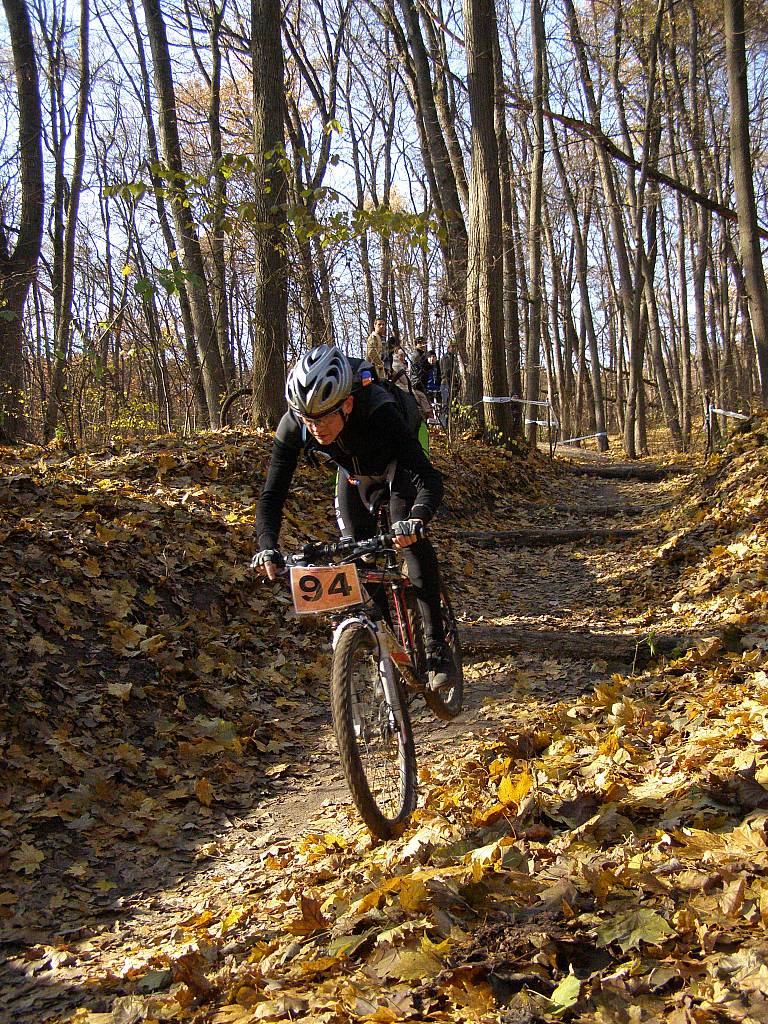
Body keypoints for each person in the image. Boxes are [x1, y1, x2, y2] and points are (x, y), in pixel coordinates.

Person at [252, 344, 455, 690]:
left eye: (323, 418)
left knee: (406, 536)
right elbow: (272, 494)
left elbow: (428, 478)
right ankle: (387, 649)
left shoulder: (379, 409)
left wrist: (418, 519)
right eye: (308, 419)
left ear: (346, 404)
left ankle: (437, 647)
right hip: (355, 474)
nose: (315, 428)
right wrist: (267, 545)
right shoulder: (295, 424)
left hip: (400, 461)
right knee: (359, 552)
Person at [440, 342, 459, 413]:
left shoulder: (454, 358)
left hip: (453, 383)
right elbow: (446, 372)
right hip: (446, 383)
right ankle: (446, 418)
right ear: (448, 348)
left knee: (454, 403)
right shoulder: (445, 358)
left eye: (455, 347)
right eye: (452, 347)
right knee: (446, 403)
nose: (454, 349)